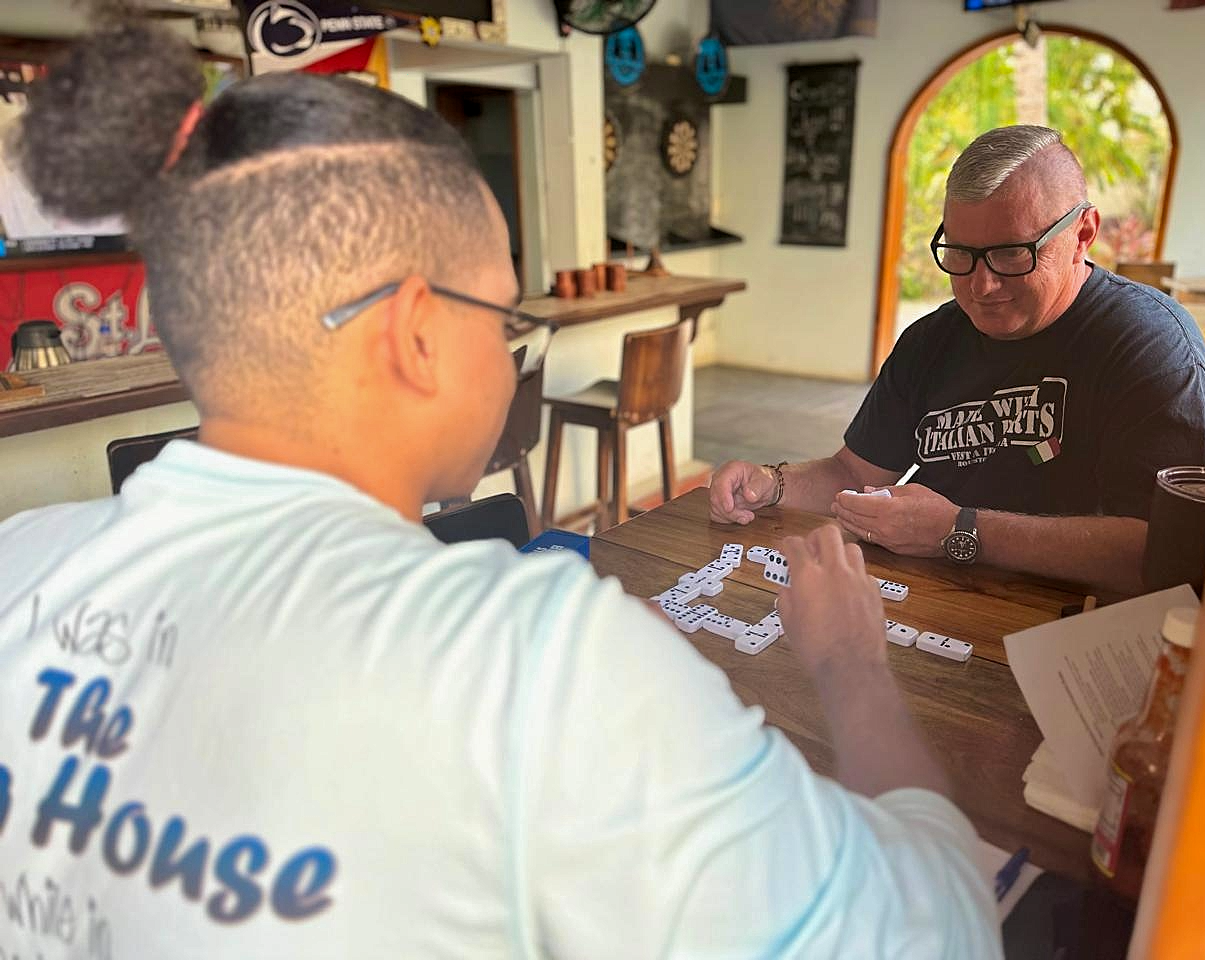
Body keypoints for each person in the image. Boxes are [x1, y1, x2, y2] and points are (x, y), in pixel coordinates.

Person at [0, 20, 999, 959]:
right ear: (418, 333)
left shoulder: (18, 562)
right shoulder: (533, 664)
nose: (511, 346)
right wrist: (849, 661)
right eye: (503, 311)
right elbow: (936, 935)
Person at [710, 125, 1205, 595]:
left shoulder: (1151, 348)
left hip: (1077, 626)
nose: (981, 286)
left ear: (1082, 234)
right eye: (960, 254)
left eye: (1012, 254)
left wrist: (963, 531)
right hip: (931, 602)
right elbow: (854, 472)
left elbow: (1170, 554)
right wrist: (772, 483)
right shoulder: (933, 340)